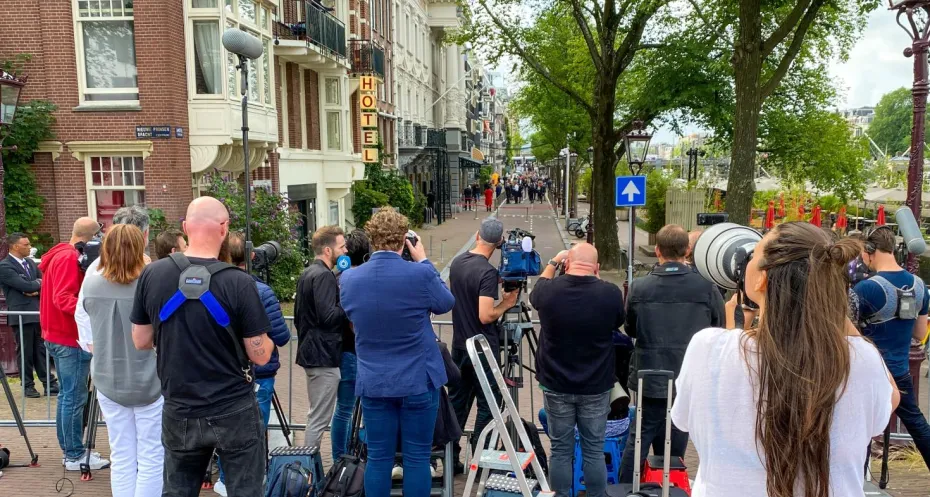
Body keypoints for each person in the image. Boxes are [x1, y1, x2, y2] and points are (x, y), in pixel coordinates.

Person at [672, 222, 900, 496]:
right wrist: (830, 304)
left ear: (762, 278)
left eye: (753, 255)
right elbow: (889, 401)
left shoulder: (708, 348)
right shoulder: (860, 358)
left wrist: (737, 322)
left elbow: (684, 418)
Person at [131, 197, 273, 496]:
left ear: (185, 227)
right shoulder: (239, 282)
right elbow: (259, 355)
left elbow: (141, 340)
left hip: (180, 406)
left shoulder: (152, 274)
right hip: (232, 406)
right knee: (245, 491)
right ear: (224, 228)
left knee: (178, 491)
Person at [340, 209, 455, 497]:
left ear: (371, 240)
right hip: (417, 379)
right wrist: (424, 259)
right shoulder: (420, 273)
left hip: (374, 381)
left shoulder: (349, 279)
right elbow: (445, 302)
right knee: (417, 458)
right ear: (405, 239)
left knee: (378, 458)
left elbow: (355, 322)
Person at [619, 224, 725, 483]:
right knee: (676, 442)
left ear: (657, 251)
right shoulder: (706, 288)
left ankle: (627, 487)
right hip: (687, 379)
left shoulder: (640, 288)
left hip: (649, 377)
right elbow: (718, 328)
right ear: (687, 250)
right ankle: (670, 485)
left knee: (638, 440)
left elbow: (630, 327)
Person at [531, 243, 625, 497]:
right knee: (593, 448)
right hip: (596, 385)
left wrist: (553, 261)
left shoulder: (549, 291)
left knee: (560, 449)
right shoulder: (610, 293)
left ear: (567, 264)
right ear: (597, 267)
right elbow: (618, 321)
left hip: (555, 383)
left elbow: (535, 293)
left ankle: (560, 494)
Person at [76, 224, 163, 497]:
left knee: (122, 453)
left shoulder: (90, 282)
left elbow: (86, 331)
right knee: (151, 453)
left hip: (107, 375)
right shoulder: (152, 283)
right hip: (150, 376)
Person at [209, 232, 292, 496]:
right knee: (255, 431)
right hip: (260, 374)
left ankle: (224, 479)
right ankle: (254, 480)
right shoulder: (261, 291)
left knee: (226, 430)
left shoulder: (209, 287)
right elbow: (282, 335)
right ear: (252, 256)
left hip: (222, 373)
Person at [853, 226, 930, 469]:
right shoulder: (919, 286)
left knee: (861, 428)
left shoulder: (866, 288)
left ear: (869, 251)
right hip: (900, 371)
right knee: (918, 425)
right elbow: (920, 333)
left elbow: (847, 332)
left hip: (868, 372)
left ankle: (859, 481)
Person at [39, 217, 110, 471]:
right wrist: (93, 310)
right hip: (69, 338)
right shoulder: (69, 258)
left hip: (55, 334)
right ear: (90, 239)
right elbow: (63, 298)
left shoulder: (58, 255)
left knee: (68, 396)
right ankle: (74, 454)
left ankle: (70, 450)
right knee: (74, 397)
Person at [448, 218, 518, 473]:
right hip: (482, 349)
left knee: (458, 403)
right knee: (489, 404)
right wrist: (507, 304)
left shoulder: (458, 263)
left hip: (459, 346)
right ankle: (480, 458)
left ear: (477, 236)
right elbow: (485, 315)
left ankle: (449, 458)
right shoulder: (487, 272)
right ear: (500, 243)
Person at [294, 225, 349, 448]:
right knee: (318, 419)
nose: (345, 251)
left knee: (316, 416)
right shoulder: (324, 276)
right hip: (323, 356)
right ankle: (309, 472)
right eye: (342, 246)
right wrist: (348, 307)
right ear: (328, 250)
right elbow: (328, 316)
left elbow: (300, 316)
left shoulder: (308, 273)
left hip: (313, 352)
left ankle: (310, 471)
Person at [0, 233, 57, 398]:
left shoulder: (31, 263)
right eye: (26, 244)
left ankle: (49, 384)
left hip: (38, 312)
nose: (29, 247)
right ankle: (27, 385)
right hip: (21, 315)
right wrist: (33, 286)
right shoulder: (5, 266)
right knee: (25, 351)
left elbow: (44, 283)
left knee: (41, 349)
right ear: (15, 246)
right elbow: (22, 285)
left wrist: (34, 287)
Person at [331, 229, 371, 462]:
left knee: (344, 409)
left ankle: (340, 460)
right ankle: (354, 458)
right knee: (358, 409)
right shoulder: (360, 280)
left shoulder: (337, 277)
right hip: (358, 352)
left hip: (345, 351)